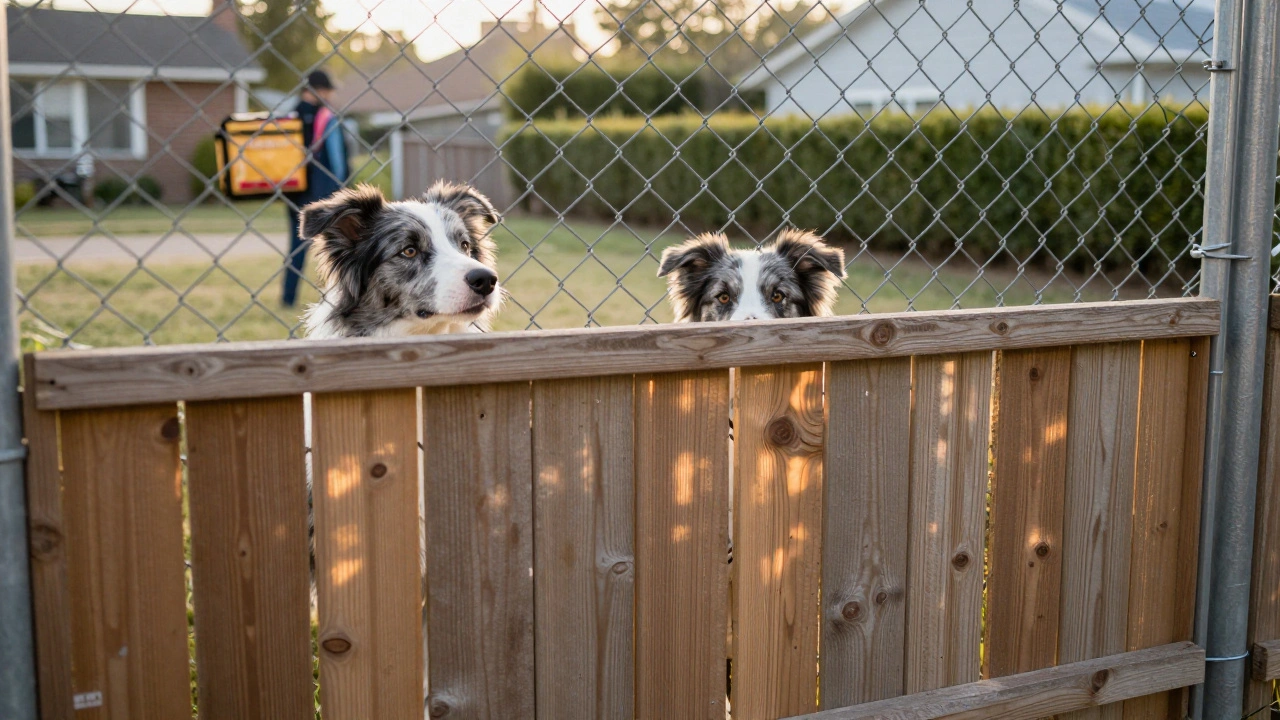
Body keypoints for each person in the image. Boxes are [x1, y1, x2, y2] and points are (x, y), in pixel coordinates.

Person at [282, 69, 349, 308]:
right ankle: (339, 296)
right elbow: (338, 163)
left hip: (294, 193)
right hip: (324, 196)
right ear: (318, 90)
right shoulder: (326, 118)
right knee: (338, 248)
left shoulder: (289, 118)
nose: (330, 95)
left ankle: (288, 299)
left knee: (296, 250)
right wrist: (341, 189)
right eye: (327, 90)